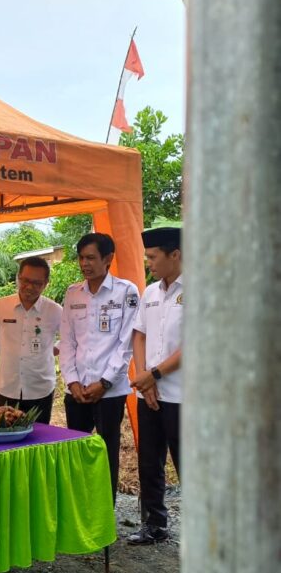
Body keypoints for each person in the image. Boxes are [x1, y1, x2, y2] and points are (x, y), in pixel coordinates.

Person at [59, 232, 139, 501]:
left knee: (107, 452)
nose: (85, 264)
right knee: (76, 452)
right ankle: (79, 508)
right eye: (81, 258)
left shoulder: (126, 292)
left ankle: (105, 512)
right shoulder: (73, 294)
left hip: (109, 392)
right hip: (77, 390)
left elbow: (125, 344)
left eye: (91, 258)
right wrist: (71, 382)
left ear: (108, 259)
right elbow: (67, 342)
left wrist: (104, 382)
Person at [127, 226, 183, 545]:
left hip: (182, 395)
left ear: (175, 255)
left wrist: (156, 374)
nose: (148, 262)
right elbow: (140, 334)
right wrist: (145, 378)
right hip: (149, 393)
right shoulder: (149, 292)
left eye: (153, 256)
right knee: (149, 461)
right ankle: (155, 524)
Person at [0, 256, 61, 423]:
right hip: (7, 386)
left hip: (41, 388)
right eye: (25, 280)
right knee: (6, 438)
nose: (29, 287)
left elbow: (71, 340)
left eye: (37, 283)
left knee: (38, 439)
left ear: (46, 283)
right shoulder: (1, 305)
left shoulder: (55, 311)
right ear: (18, 277)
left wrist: (54, 349)